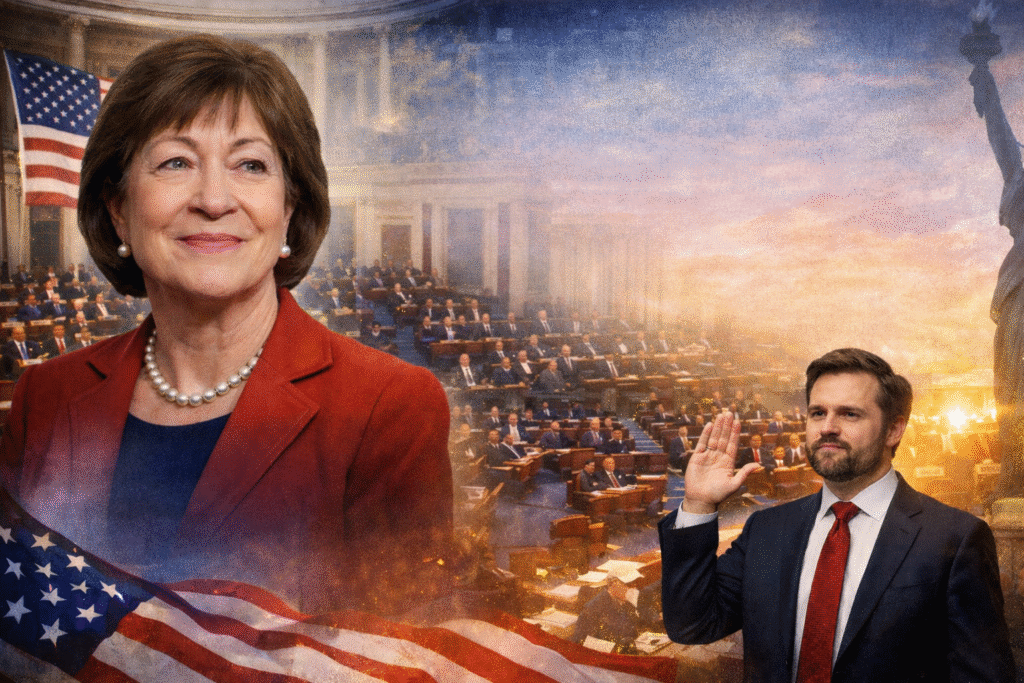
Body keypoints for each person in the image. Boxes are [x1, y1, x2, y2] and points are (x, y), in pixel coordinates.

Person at [0, 35, 452, 616]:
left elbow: (401, 655)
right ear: (119, 210)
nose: (214, 199)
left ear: (289, 207)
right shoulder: (47, 397)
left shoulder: (389, 405)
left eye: (250, 164)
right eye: (175, 162)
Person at [658, 348, 1013, 681]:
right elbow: (692, 624)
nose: (827, 426)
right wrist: (699, 505)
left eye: (849, 413)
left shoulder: (956, 537)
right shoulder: (767, 530)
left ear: (894, 429)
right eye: (818, 413)